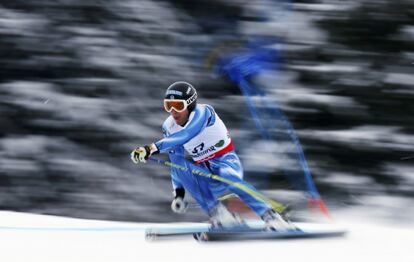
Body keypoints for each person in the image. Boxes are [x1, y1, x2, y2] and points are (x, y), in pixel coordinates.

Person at [131, 81, 294, 231]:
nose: (173, 111)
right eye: (168, 106)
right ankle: (220, 215)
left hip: (226, 162)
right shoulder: (169, 127)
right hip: (205, 172)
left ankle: (272, 216)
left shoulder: (204, 113)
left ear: (190, 104)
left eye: (178, 105)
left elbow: (186, 135)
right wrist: (178, 194)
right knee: (180, 165)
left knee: (227, 175)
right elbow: (176, 163)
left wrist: (151, 148)